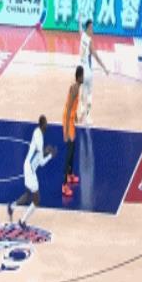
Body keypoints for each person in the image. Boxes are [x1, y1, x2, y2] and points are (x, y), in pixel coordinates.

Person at [7, 115, 56, 228]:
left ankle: (12, 207)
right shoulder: (39, 138)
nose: (47, 126)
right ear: (42, 125)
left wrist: (46, 153)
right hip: (30, 169)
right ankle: (22, 221)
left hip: (28, 165)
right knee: (36, 200)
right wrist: (49, 154)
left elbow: (38, 157)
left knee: (28, 194)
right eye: (46, 124)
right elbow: (40, 160)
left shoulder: (37, 132)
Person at [78, 18, 109, 125]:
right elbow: (96, 56)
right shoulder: (90, 41)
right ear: (87, 29)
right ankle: (87, 117)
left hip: (81, 72)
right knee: (89, 95)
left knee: (83, 93)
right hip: (87, 72)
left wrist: (79, 20)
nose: (93, 30)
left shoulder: (82, 35)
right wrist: (104, 68)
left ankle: (81, 113)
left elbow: (80, 29)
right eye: (91, 28)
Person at [62, 66, 84, 197]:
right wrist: (65, 131)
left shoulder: (77, 87)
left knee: (73, 148)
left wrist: (75, 116)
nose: (84, 77)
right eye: (83, 75)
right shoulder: (75, 88)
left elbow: (73, 106)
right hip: (67, 121)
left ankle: (70, 175)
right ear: (79, 77)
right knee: (69, 153)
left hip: (70, 120)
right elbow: (69, 107)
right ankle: (64, 185)